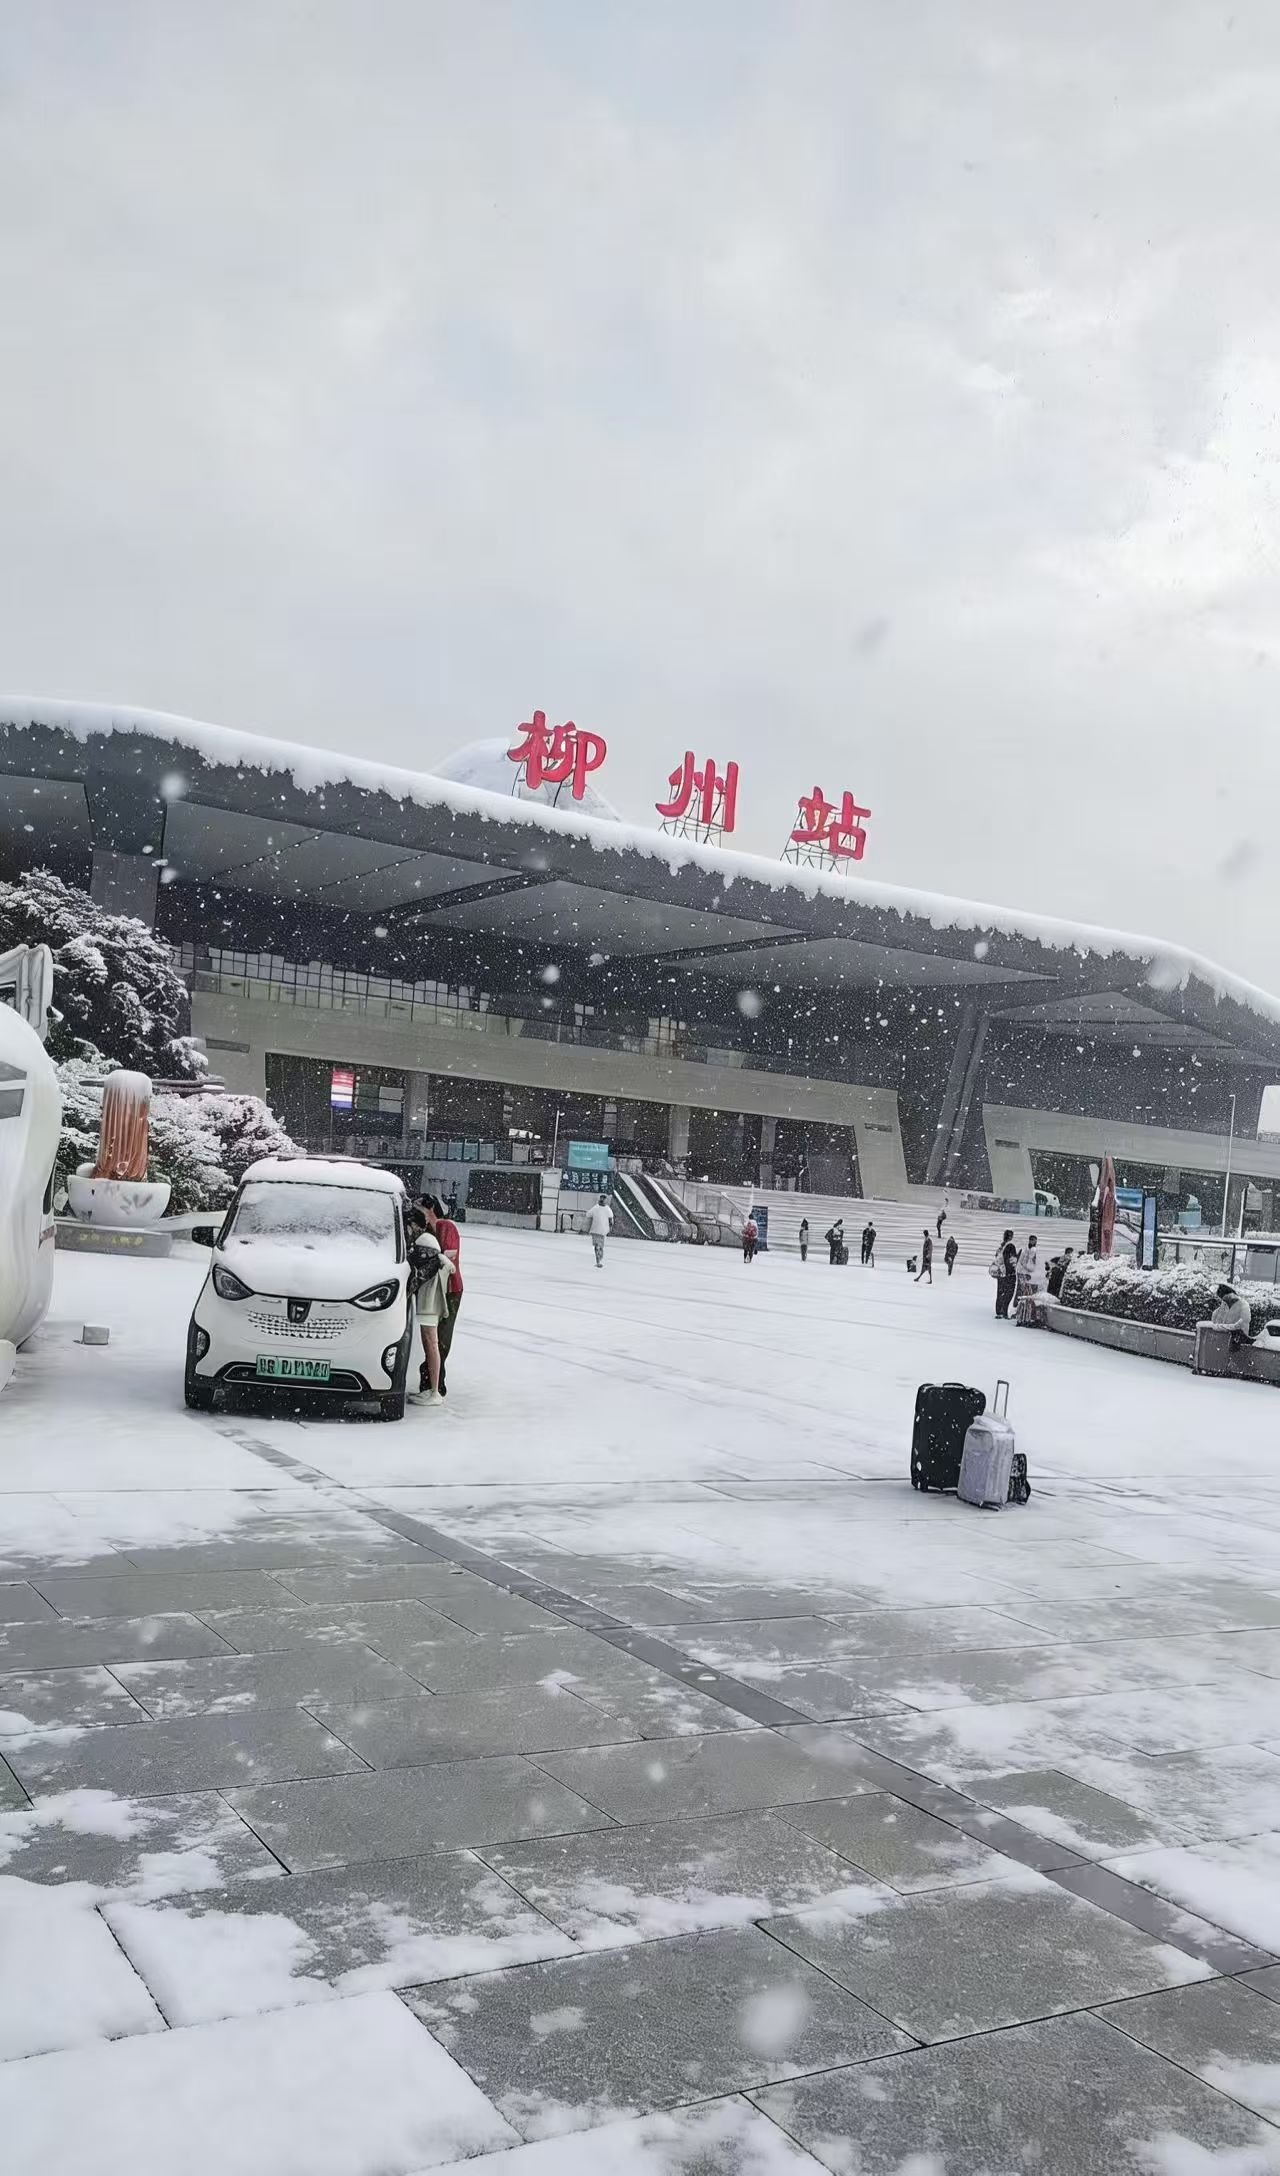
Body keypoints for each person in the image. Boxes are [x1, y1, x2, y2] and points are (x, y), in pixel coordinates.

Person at [420, 1194, 463, 1397]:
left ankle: (434, 1381)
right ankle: (431, 1380)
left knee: (442, 1337)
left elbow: (449, 1256)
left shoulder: (446, 1226)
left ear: (430, 1209)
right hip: (434, 1288)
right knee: (431, 1337)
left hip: (450, 1288)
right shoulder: (427, 1230)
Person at [406, 1214, 450, 1401]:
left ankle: (434, 1391)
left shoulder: (425, 1243)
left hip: (429, 1301)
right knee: (429, 1343)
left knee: (431, 1343)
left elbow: (419, 1275)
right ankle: (432, 1389)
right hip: (429, 1300)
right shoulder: (427, 1243)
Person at [1211, 1284, 1252, 1350]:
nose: (1225, 1301)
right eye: (1223, 1299)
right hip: (1223, 1341)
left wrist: (1219, 1327)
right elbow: (1215, 1321)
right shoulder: (1223, 1306)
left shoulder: (1244, 1305)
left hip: (1238, 1342)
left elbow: (1240, 1325)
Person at [993, 1228, 1018, 1318]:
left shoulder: (1001, 1247)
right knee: (1009, 1293)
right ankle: (1004, 1312)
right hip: (1008, 1274)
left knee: (1000, 1293)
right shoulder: (1011, 1246)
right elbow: (1012, 1260)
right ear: (1011, 1237)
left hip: (1000, 1273)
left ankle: (999, 1311)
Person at [587, 1192, 613, 1267]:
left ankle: (598, 1260)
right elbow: (611, 1219)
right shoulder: (607, 1209)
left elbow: (588, 1214)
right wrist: (610, 1228)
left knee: (596, 1246)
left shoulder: (595, 1207)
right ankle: (599, 1259)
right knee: (600, 1246)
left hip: (595, 1230)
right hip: (602, 1231)